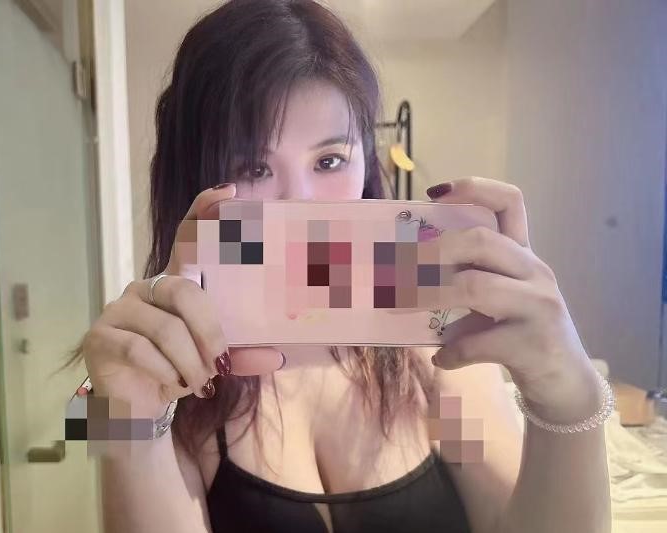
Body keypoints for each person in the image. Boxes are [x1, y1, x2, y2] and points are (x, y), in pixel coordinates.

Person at [70, 1, 611, 531]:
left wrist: (570, 402)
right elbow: (94, 431)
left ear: (365, 164)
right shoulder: (170, 375)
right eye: (252, 167)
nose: (300, 204)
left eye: (329, 160)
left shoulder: (430, 351)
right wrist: (128, 427)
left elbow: (505, 520)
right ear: (195, 179)